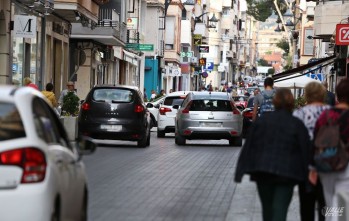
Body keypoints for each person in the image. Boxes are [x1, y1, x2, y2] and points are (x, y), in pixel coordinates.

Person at [235, 88, 311, 221]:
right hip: (287, 173)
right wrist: (306, 177)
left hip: (263, 171)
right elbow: (305, 151)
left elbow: (249, 146)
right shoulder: (297, 124)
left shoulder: (262, 121)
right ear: (291, 103)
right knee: (280, 208)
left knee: (267, 208)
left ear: (274, 102)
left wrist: (240, 171)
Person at [310, 79, 349, 219]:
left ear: (337, 96)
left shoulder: (325, 115)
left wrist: (313, 168)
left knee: (331, 204)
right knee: (343, 209)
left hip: (327, 165)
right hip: (346, 169)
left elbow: (315, 141)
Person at [293, 82, 329, 221]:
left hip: (305, 167)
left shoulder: (299, 114)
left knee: (306, 208)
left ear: (306, 95)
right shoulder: (332, 112)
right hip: (328, 166)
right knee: (326, 208)